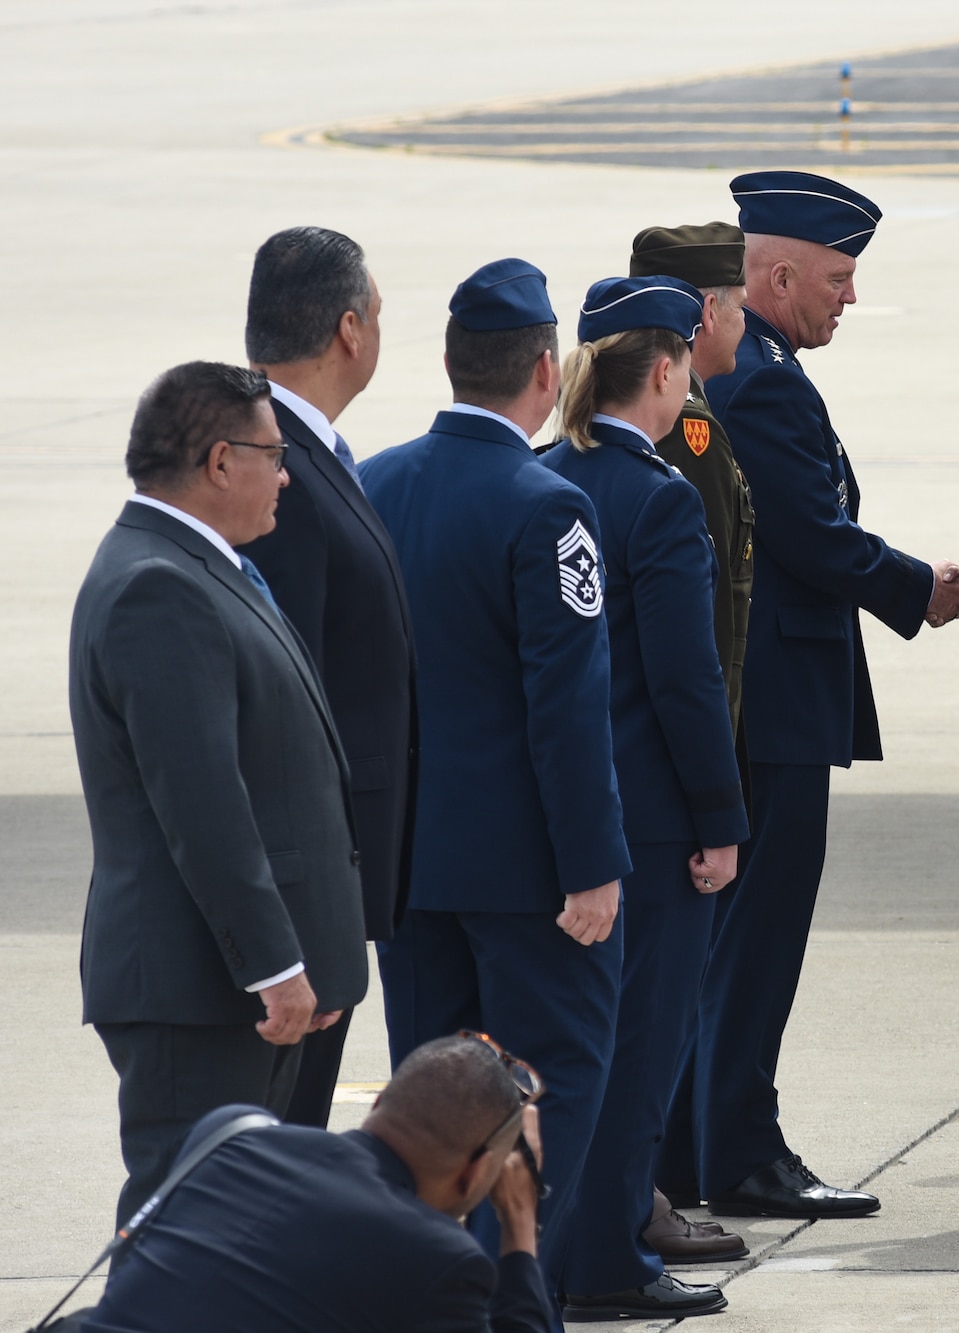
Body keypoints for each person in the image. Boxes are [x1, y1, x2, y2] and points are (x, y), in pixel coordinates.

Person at [665, 171, 959, 1221]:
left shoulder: (757, 362)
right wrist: (915, 588)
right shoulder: (761, 381)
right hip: (777, 703)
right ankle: (741, 1155)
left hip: (763, 695)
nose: (848, 297)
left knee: (724, 944)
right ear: (777, 272)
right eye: (838, 278)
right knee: (756, 944)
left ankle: (690, 1145)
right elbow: (808, 533)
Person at [359, 259, 632, 1284]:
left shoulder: (374, 482)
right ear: (543, 368)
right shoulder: (546, 506)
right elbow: (565, 709)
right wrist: (593, 863)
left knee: (426, 1120)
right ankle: (505, 1304)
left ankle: (426, 1300)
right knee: (541, 1108)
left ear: (446, 362)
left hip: (413, 872)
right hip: (527, 883)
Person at [69, 361, 368, 1229]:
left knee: (238, 1235)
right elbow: (202, 803)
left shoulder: (202, 564)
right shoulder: (157, 587)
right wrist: (275, 965)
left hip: (227, 985)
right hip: (198, 989)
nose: (285, 474)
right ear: (217, 460)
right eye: (274, 456)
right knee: (188, 1230)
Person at [540, 275, 746, 1320]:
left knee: (569, 1050)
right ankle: (613, 1260)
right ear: (664, 369)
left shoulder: (543, 476)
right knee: (641, 1049)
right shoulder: (658, 496)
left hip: (555, 819)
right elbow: (684, 678)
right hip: (654, 825)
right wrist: (720, 819)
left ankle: (561, 1248)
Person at [238, 226, 418, 1129]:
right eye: (379, 312)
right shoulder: (286, 476)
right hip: (308, 891)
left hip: (328, 881)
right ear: (350, 330)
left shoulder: (307, 457)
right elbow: (286, 703)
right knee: (277, 1133)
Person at [83, 1034, 556, 1332]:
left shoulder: (231, 1134)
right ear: (476, 1172)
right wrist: (518, 1223)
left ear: (378, 1106)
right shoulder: (438, 1258)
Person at [629, 223, 756, 735]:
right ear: (708, 312)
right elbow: (710, 607)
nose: (745, 324)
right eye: (740, 308)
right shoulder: (688, 427)